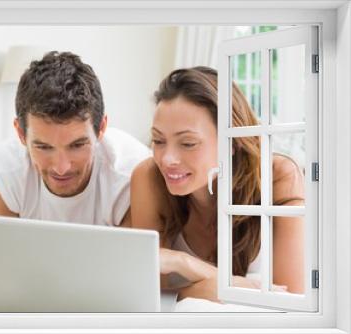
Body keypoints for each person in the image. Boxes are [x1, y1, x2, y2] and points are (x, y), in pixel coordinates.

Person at [130, 66, 305, 302]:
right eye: (159, 140)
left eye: (188, 143)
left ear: (231, 142)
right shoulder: (148, 177)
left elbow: (292, 299)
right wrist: (235, 287)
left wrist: (186, 264)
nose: (167, 159)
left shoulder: (278, 176)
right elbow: (147, 293)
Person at [0, 51, 150, 227]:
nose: (61, 168)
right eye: (43, 147)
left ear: (101, 128)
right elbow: (1, 253)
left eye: (77, 145)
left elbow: (131, 254)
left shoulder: (133, 176)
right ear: (21, 133)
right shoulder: (2, 173)